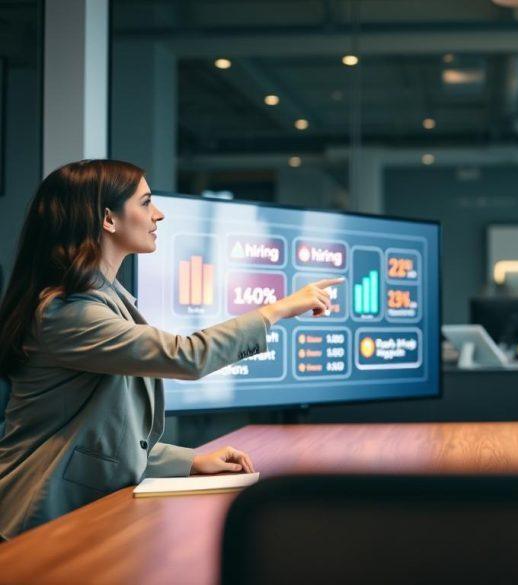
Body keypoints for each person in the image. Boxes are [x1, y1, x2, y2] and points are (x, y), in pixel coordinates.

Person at [0, 160, 339, 539]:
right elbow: (185, 356)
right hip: (36, 518)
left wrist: (192, 460)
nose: (158, 214)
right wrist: (278, 309)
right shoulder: (68, 313)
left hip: (74, 515)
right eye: (145, 203)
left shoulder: (105, 301)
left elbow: (105, 440)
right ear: (108, 219)